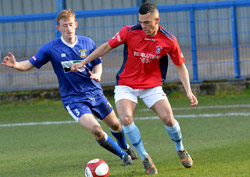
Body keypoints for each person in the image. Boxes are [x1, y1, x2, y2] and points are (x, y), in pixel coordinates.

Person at [71, 2, 198, 175]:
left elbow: (180, 66)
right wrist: (84, 62)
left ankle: (180, 148)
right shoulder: (129, 31)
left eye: (147, 22)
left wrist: (188, 91)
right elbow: (107, 46)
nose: (143, 26)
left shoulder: (169, 40)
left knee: (168, 119)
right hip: (126, 85)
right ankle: (145, 158)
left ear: (157, 20)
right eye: (141, 21)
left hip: (152, 86)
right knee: (125, 118)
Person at [1, 9, 138, 166]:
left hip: (94, 93)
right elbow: (29, 64)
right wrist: (16, 64)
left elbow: (97, 62)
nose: (68, 29)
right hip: (73, 99)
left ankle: (124, 146)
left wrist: (98, 74)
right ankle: (123, 156)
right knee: (96, 129)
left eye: (71, 25)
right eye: (64, 25)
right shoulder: (50, 49)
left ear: (76, 25)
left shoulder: (87, 43)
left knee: (115, 125)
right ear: (58, 28)